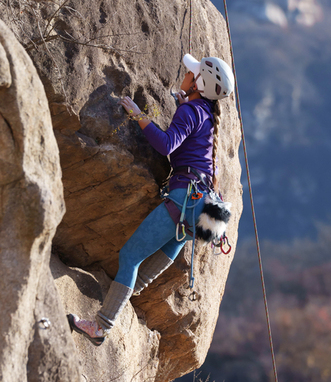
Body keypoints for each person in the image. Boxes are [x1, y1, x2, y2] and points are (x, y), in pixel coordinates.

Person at [68, 52, 234, 346]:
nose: (185, 73)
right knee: (142, 271)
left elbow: (166, 145)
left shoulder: (190, 112)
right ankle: (112, 313)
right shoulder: (205, 117)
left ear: (197, 83)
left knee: (129, 257)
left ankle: (101, 327)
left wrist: (137, 115)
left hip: (184, 199)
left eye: (190, 72)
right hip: (200, 209)